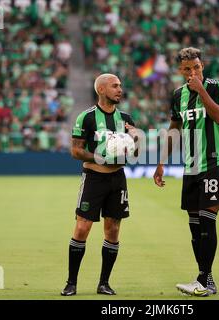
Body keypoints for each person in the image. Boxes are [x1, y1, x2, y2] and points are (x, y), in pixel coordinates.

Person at [153, 47, 219, 297]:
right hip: (191, 167)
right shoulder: (178, 95)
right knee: (195, 227)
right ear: (180, 70)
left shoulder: (215, 86)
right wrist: (162, 161)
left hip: (213, 162)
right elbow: (174, 128)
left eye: (196, 67)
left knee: (208, 222)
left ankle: (204, 281)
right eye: (187, 69)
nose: (192, 72)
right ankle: (204, 279)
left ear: (202, 65)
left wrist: (200, 91)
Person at [61, 73, 138, 296]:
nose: (120, 90)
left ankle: (104, 283)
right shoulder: (86, 117)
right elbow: (76, 150)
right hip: (94, 178)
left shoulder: (126, 118)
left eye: (120, 86)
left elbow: (135, 154)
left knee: (113, 230)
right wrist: (101, 157)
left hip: (117, 179)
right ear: (101, 90)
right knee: (82, 227)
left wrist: (135, 137)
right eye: (115, 86)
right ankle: (71, 283)